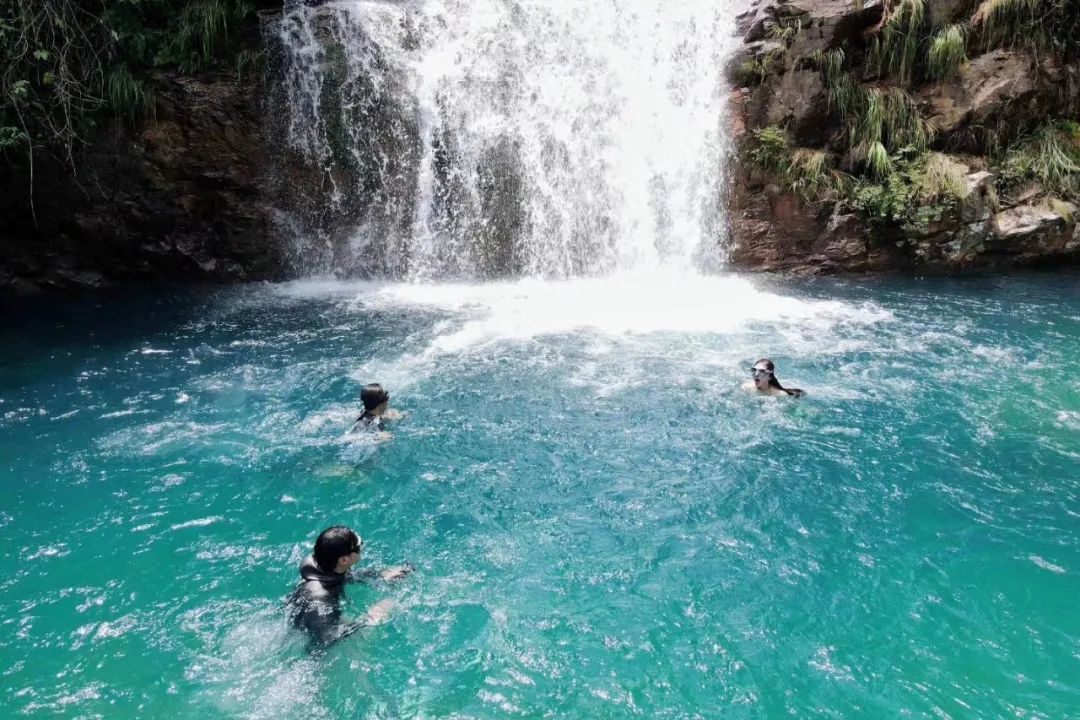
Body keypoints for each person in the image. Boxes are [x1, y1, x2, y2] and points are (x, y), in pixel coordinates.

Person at [287, 525, 413, 646]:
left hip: (304, 625)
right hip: (317, 644)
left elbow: (343, 577)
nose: (362, 547)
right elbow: (327, 638)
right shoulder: (320, 595)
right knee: (381, 615)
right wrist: (369, 617)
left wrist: (381, 575)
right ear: (344, 560)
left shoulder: (323, 566)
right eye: (358, 547)